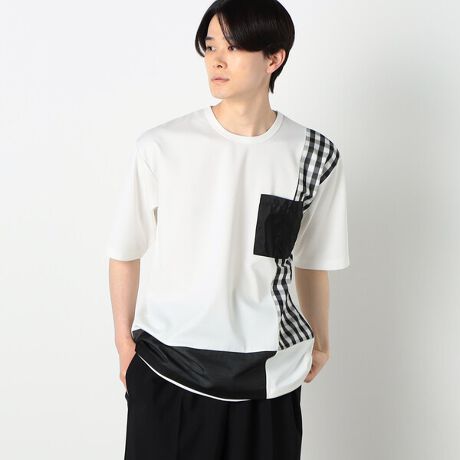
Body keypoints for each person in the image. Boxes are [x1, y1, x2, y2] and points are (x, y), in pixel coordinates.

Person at [107, 0, 350, 458]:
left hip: (269, 375)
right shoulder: (161, 146)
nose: (216, 60)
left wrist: (322, 340)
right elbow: (125, 249)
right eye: (210, 45)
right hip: (167, 368)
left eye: (233, 47)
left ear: (274, 58)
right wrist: (124, 344)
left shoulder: (314, 154)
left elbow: (313, 261)